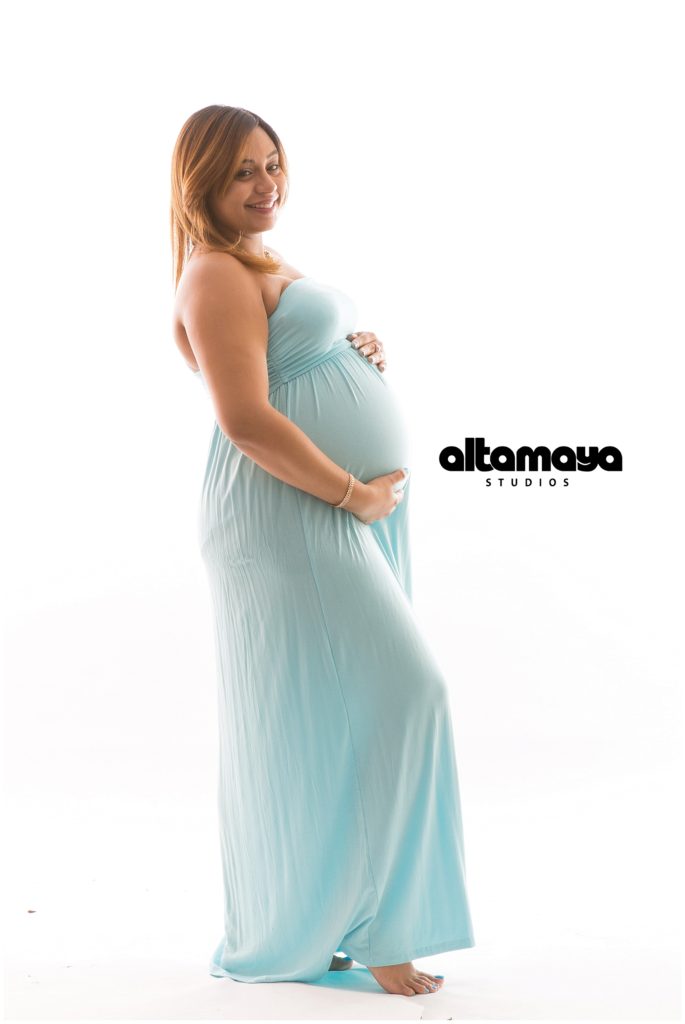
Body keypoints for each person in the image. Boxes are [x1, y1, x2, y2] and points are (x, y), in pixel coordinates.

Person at [170, 105, 475, 998]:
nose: (266, 183)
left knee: (330, 716)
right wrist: (353, 494)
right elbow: (245, 417)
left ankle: (330, 919)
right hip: (294, 514)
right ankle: (380, 929)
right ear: (201, 184)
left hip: (334, 507)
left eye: (272, 163)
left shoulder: (257, 260)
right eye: (242, 171)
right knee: (406, 693)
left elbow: (281, 364)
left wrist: (346, 351)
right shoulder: (213, 270)